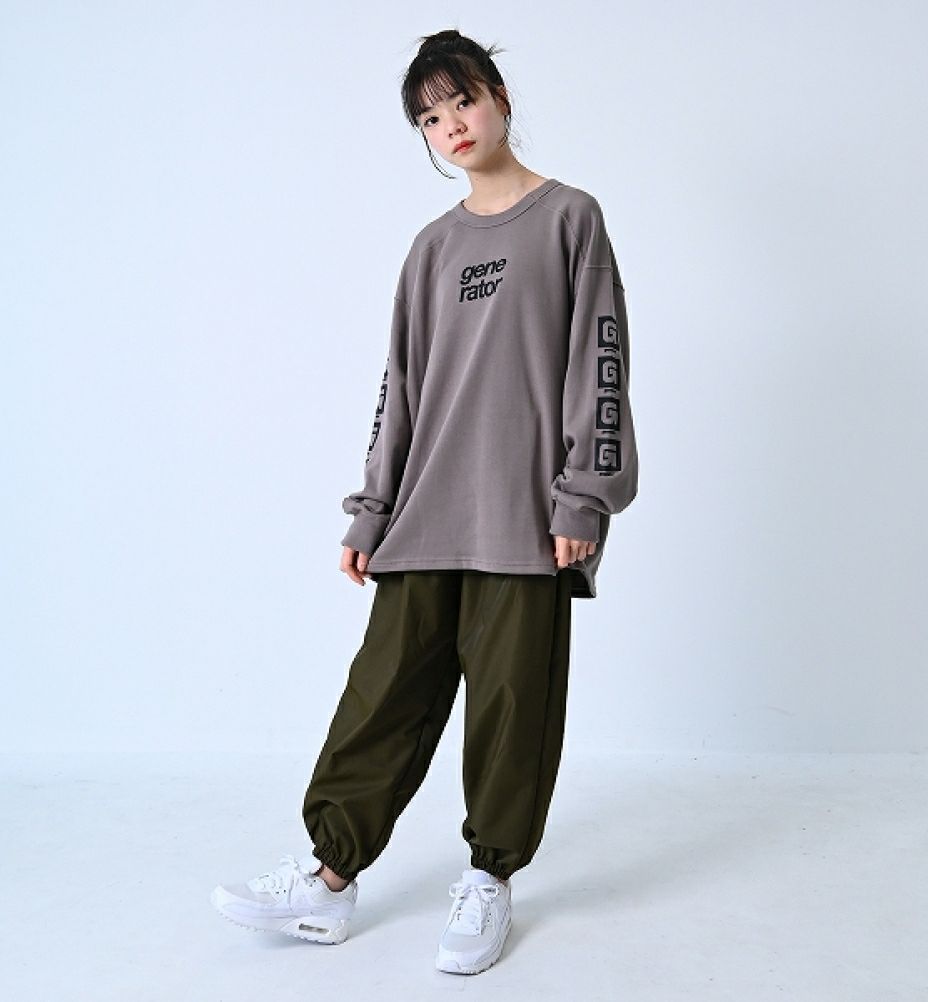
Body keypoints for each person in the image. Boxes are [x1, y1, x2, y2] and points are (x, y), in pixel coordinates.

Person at [210, 27, 639, 976]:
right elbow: (399, 388)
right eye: (431, 118)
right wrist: (372, 511)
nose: (452, 126)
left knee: (512, 707)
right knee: (384, 696)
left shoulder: (571, 218)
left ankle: (489, 879)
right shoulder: (431, 249)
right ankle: (329, 881)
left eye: (463, 101)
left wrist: (584, 498)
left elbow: (599, 364)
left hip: (528, 518)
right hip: (424, 511)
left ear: (499, 98)